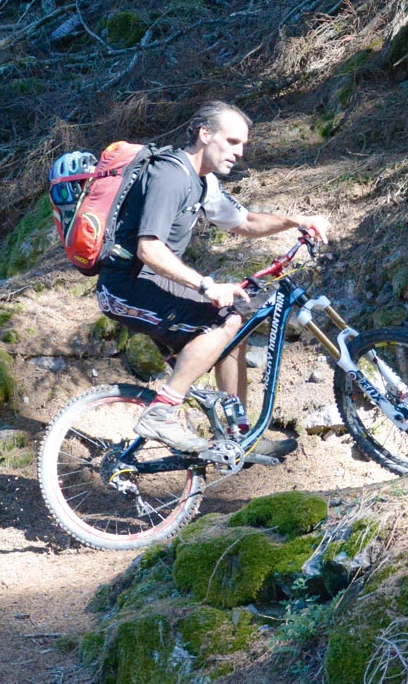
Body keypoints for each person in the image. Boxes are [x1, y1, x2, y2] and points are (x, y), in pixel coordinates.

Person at [96, 101, 331, 453]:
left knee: (229, 332)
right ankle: (163, 411)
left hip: (152, 283)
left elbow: (245, 222)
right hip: (125, 288)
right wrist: (206, 285)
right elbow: (149, 249)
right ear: (205, 135)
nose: (239, 153)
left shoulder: (203, 183)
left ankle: (240, 439)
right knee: (227, 320)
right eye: (233, 142)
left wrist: (297, 221)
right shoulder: (170, 176)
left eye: (243, 146)